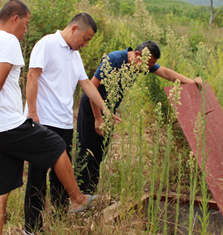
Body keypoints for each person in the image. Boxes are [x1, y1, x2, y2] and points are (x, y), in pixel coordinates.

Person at [0, 0, 96, 235]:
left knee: (2, 188)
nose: (26, 31)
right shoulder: (9, 42)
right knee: (56, 146)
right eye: (26, 24)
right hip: (7, 125)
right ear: (14, 19)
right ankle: (78, 199)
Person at [23, 13, 116, 235]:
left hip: (64, 122)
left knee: (60, 176)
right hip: (43, 121)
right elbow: (32, 76)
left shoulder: (75, 56)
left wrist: (105, 108)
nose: (85, 45)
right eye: (85, 39)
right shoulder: (47, 44)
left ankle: (60, 218)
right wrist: (32, 113)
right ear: (74, 29)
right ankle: (32, 227)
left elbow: (86, 84)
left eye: (88, 42)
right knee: (38, 174)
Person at [76, 41, 203, 194]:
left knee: (100, 152)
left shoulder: (143, 62)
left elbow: (165, 73)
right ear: (137, 55)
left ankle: (90, 193)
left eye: (150, 66)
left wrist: (192, 82)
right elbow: (91, 87)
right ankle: (79, 195)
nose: (147, 69)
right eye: (147, 65)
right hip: (92, 107)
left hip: (110, 111)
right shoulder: (114, 59)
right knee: (86, 150)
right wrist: (98, 118)